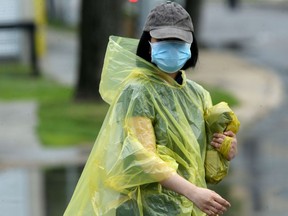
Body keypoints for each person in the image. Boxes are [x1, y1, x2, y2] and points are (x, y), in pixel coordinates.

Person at [64, 1, 238, 216]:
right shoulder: (138, 92)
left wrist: (224, 149)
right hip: (147, 208)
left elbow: (204, 166)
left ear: (191, 44)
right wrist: (193, 192)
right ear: (149, 42)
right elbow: (143, 158)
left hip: (191, 209)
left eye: (178, 40)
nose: (171, 45)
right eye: (163, 39)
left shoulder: (198, 95)